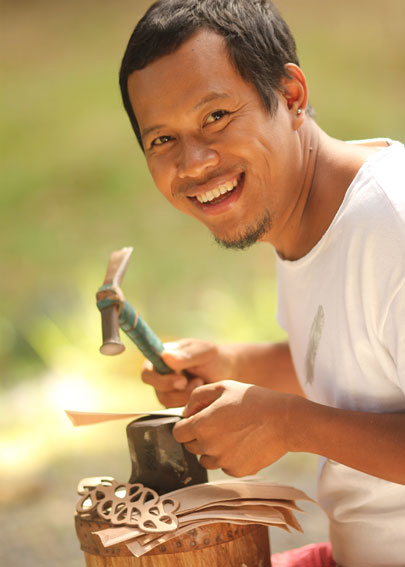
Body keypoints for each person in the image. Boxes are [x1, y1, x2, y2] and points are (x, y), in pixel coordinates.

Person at [118, 1, 405, 565]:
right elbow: (367, 366)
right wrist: (237, 364)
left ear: (290, 95)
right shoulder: (306, 209)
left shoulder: (390, 227)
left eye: (216, 116)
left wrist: (288, 423)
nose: (194, 163)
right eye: (161, 140)